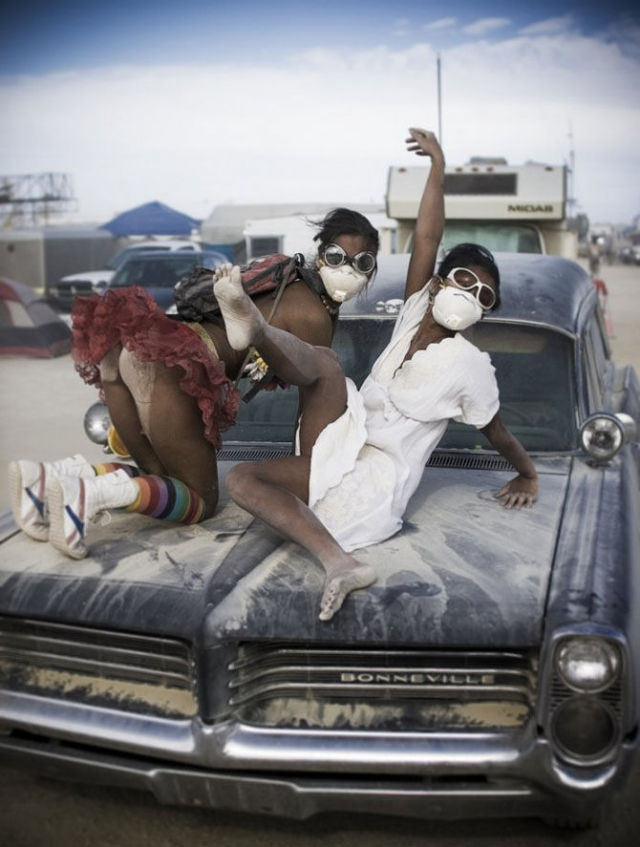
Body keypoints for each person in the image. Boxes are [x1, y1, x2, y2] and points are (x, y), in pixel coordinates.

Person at [210, 128, 539, 622]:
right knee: (316, 381)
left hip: (377, 476)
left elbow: (497, 431)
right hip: (345, 438)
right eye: (464, 282)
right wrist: (437, 168)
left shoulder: (471, 366)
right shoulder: (412, 313)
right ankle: (253, 329)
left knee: (259, 454)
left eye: (483, 297)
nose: (470, 296)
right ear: (437, 283)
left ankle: (338, 562)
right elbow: (427, 236)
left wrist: (528, 474)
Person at [9, 207, 379, 559]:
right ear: (320, 255)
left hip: (137, 350)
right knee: (199, 500)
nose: (348, 270)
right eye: (337, 257)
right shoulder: (316, 317)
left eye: (362, 262)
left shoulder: (283, 278)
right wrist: (312, 475)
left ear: (371, 268)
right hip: (176, 368)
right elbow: (309, 411)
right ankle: (86, 495)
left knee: (162, 481)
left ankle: (50, 478)